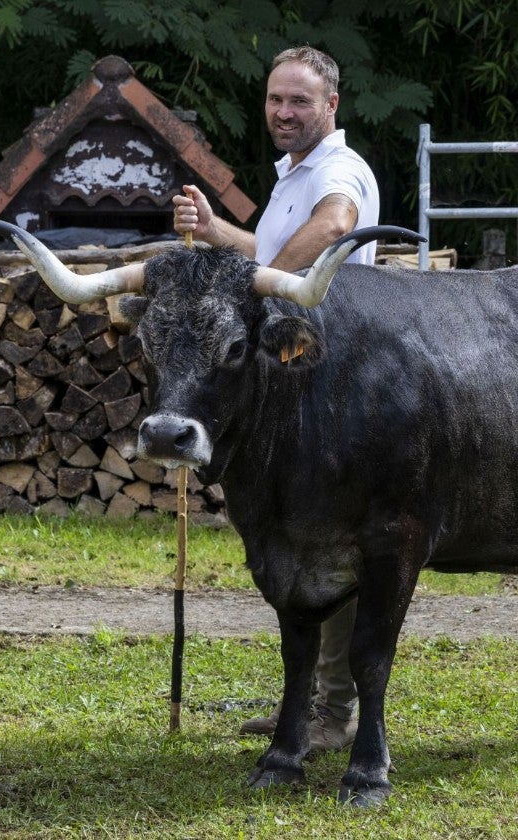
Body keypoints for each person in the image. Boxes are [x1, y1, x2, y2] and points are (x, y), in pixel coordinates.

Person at [173, 45, 378, 754]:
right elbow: (267, 256)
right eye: (274, 99)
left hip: (337, 379)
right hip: (290, 378)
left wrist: (239, 288)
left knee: (341, 540)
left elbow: (333, 227)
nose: (283, 112)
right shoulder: (293, 174)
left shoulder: (337, 170)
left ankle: (331, 712)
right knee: (300, 539)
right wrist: (214, 232)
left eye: (298, 101)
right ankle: (312, 702)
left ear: (331, 107)